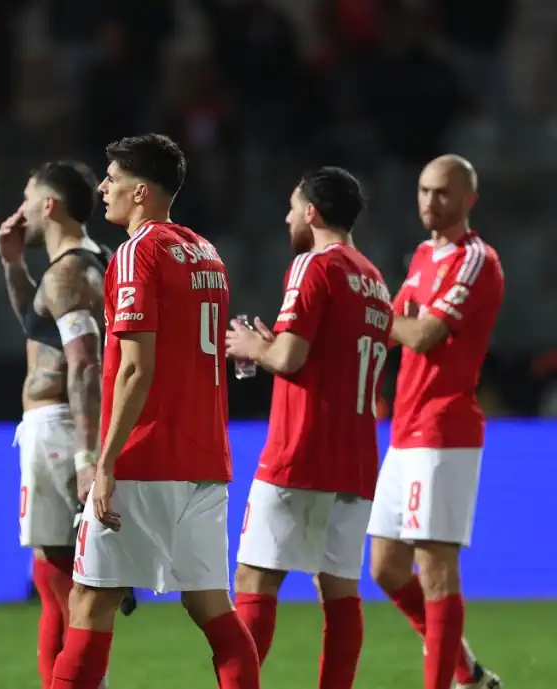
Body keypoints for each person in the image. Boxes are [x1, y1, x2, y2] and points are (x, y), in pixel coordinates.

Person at [49, 134, 260, 689]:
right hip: (206, 458)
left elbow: (135, 369)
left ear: (140, 191)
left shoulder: (138, 252)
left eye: (112, 178)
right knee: (213, 608)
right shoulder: (207, 253)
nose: (103, 188)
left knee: (88, 602)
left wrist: (106, 461)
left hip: (147, 456)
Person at [224, 167, 390, 689]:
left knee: (254, 579)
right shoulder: (374, 278)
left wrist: (256, 348)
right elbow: (326, 355)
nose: (289, 217)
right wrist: (275, 343)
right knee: (339, 590)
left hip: (301, 450)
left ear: (312, 213)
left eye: (294, 208)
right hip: (357, 458)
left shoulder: (312, 265)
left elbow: (291, 359)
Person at [365, 155, 504, 689]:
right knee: (384, 566)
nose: (430, 202)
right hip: (405, 428)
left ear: (469, 199)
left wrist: (380, 314)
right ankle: (466, 670)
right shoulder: (424, 255)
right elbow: (393, 323)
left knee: (435, 566)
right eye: (424, 191)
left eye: (443, 193)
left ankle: (446, 683)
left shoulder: (475, 260)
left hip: (444, 428)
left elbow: (422, 334)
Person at [0, 160, 115, 689]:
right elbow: (39, 328)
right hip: (70, 428)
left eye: (27, 196)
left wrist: (88, 457)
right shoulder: (90, 264)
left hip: (63, 430)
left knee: (62, 579)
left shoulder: (69, 272)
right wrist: (13, 265)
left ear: (50, 205)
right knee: (60, 576)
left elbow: (84, 363)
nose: (19, 208)